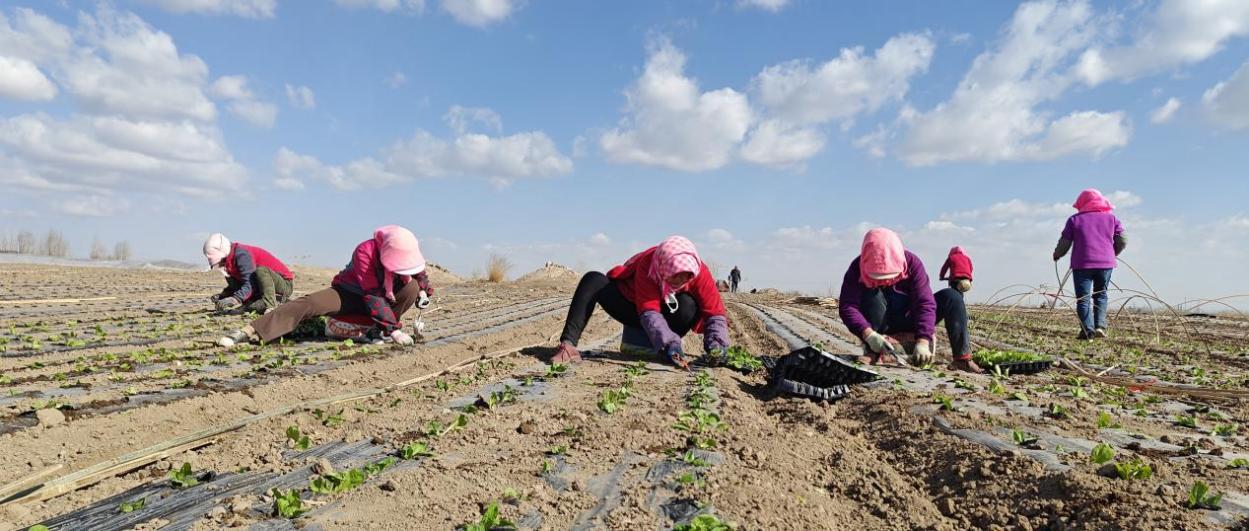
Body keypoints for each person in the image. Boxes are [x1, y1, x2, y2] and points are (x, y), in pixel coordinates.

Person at [217, 225, 433, 347]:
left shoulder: (407, 252)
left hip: (380, 300)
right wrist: (395, 331)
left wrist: (424, 291)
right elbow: (373, 295)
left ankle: (378, 331)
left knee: (412, 287)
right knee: (309, 303)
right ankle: (250, 330)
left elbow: (419, 274)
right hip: (350, 292)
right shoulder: (365, 252)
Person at [551, 236, 730, 369]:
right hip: (635, 310)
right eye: (674, 273)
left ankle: (663, 347)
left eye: (685, 275)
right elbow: (649, 311)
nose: (680, 279)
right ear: (663, 266)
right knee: (593, 280)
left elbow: (715, 313)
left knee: (688, 304)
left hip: (671, 314)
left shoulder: (700, 271)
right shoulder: (650, 264)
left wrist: (717, 345)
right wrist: (669, 342)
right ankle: (568, 346)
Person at [838, 228, 981, 373]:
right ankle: (874, 352)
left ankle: (962, 359)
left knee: (953, 297)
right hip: (880, 322)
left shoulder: (912, 263)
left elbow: (924, 303)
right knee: (872, 294)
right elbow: (847, 307)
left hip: (909, 317)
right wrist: (868, 334)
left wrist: (923, 341)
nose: (886, 281)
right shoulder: (857, 268)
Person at [1053, 188, 1127, 340]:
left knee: (1083, 298)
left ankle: (1088, 330)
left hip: (1082, 264)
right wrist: (1112, 253)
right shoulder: (1112, 219)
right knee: (1101, 295)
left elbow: (1064, 243)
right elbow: (1123, 239)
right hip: (1105, 264)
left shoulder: (1074, 220)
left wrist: (1057, 255)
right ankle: (1100, 326)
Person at [203, 234, 294, 314]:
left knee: (261, 271)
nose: (220, 265)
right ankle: (257, 302)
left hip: (284, 284)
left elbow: (250, 284)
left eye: (220, 261)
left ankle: (271, 306)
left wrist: (235, 299)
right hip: (262, 287)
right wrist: (223, 296)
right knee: (230, 278)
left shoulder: (242, 255)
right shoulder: (229, 262)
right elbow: (238, 284)